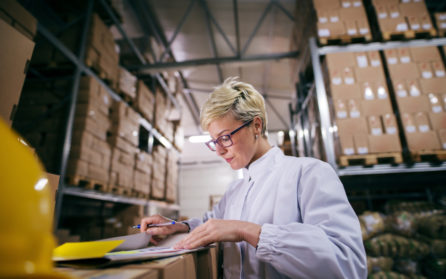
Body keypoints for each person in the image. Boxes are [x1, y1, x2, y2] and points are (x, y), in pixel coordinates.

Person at [140, 77, 367, 278]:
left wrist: (250, 232)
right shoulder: (235, 191)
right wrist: (176, 226)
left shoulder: (308, 174)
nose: (219, 151)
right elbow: (210, 224)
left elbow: (347, 264)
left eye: (225, 138)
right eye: (213, 142)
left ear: (256, 125)